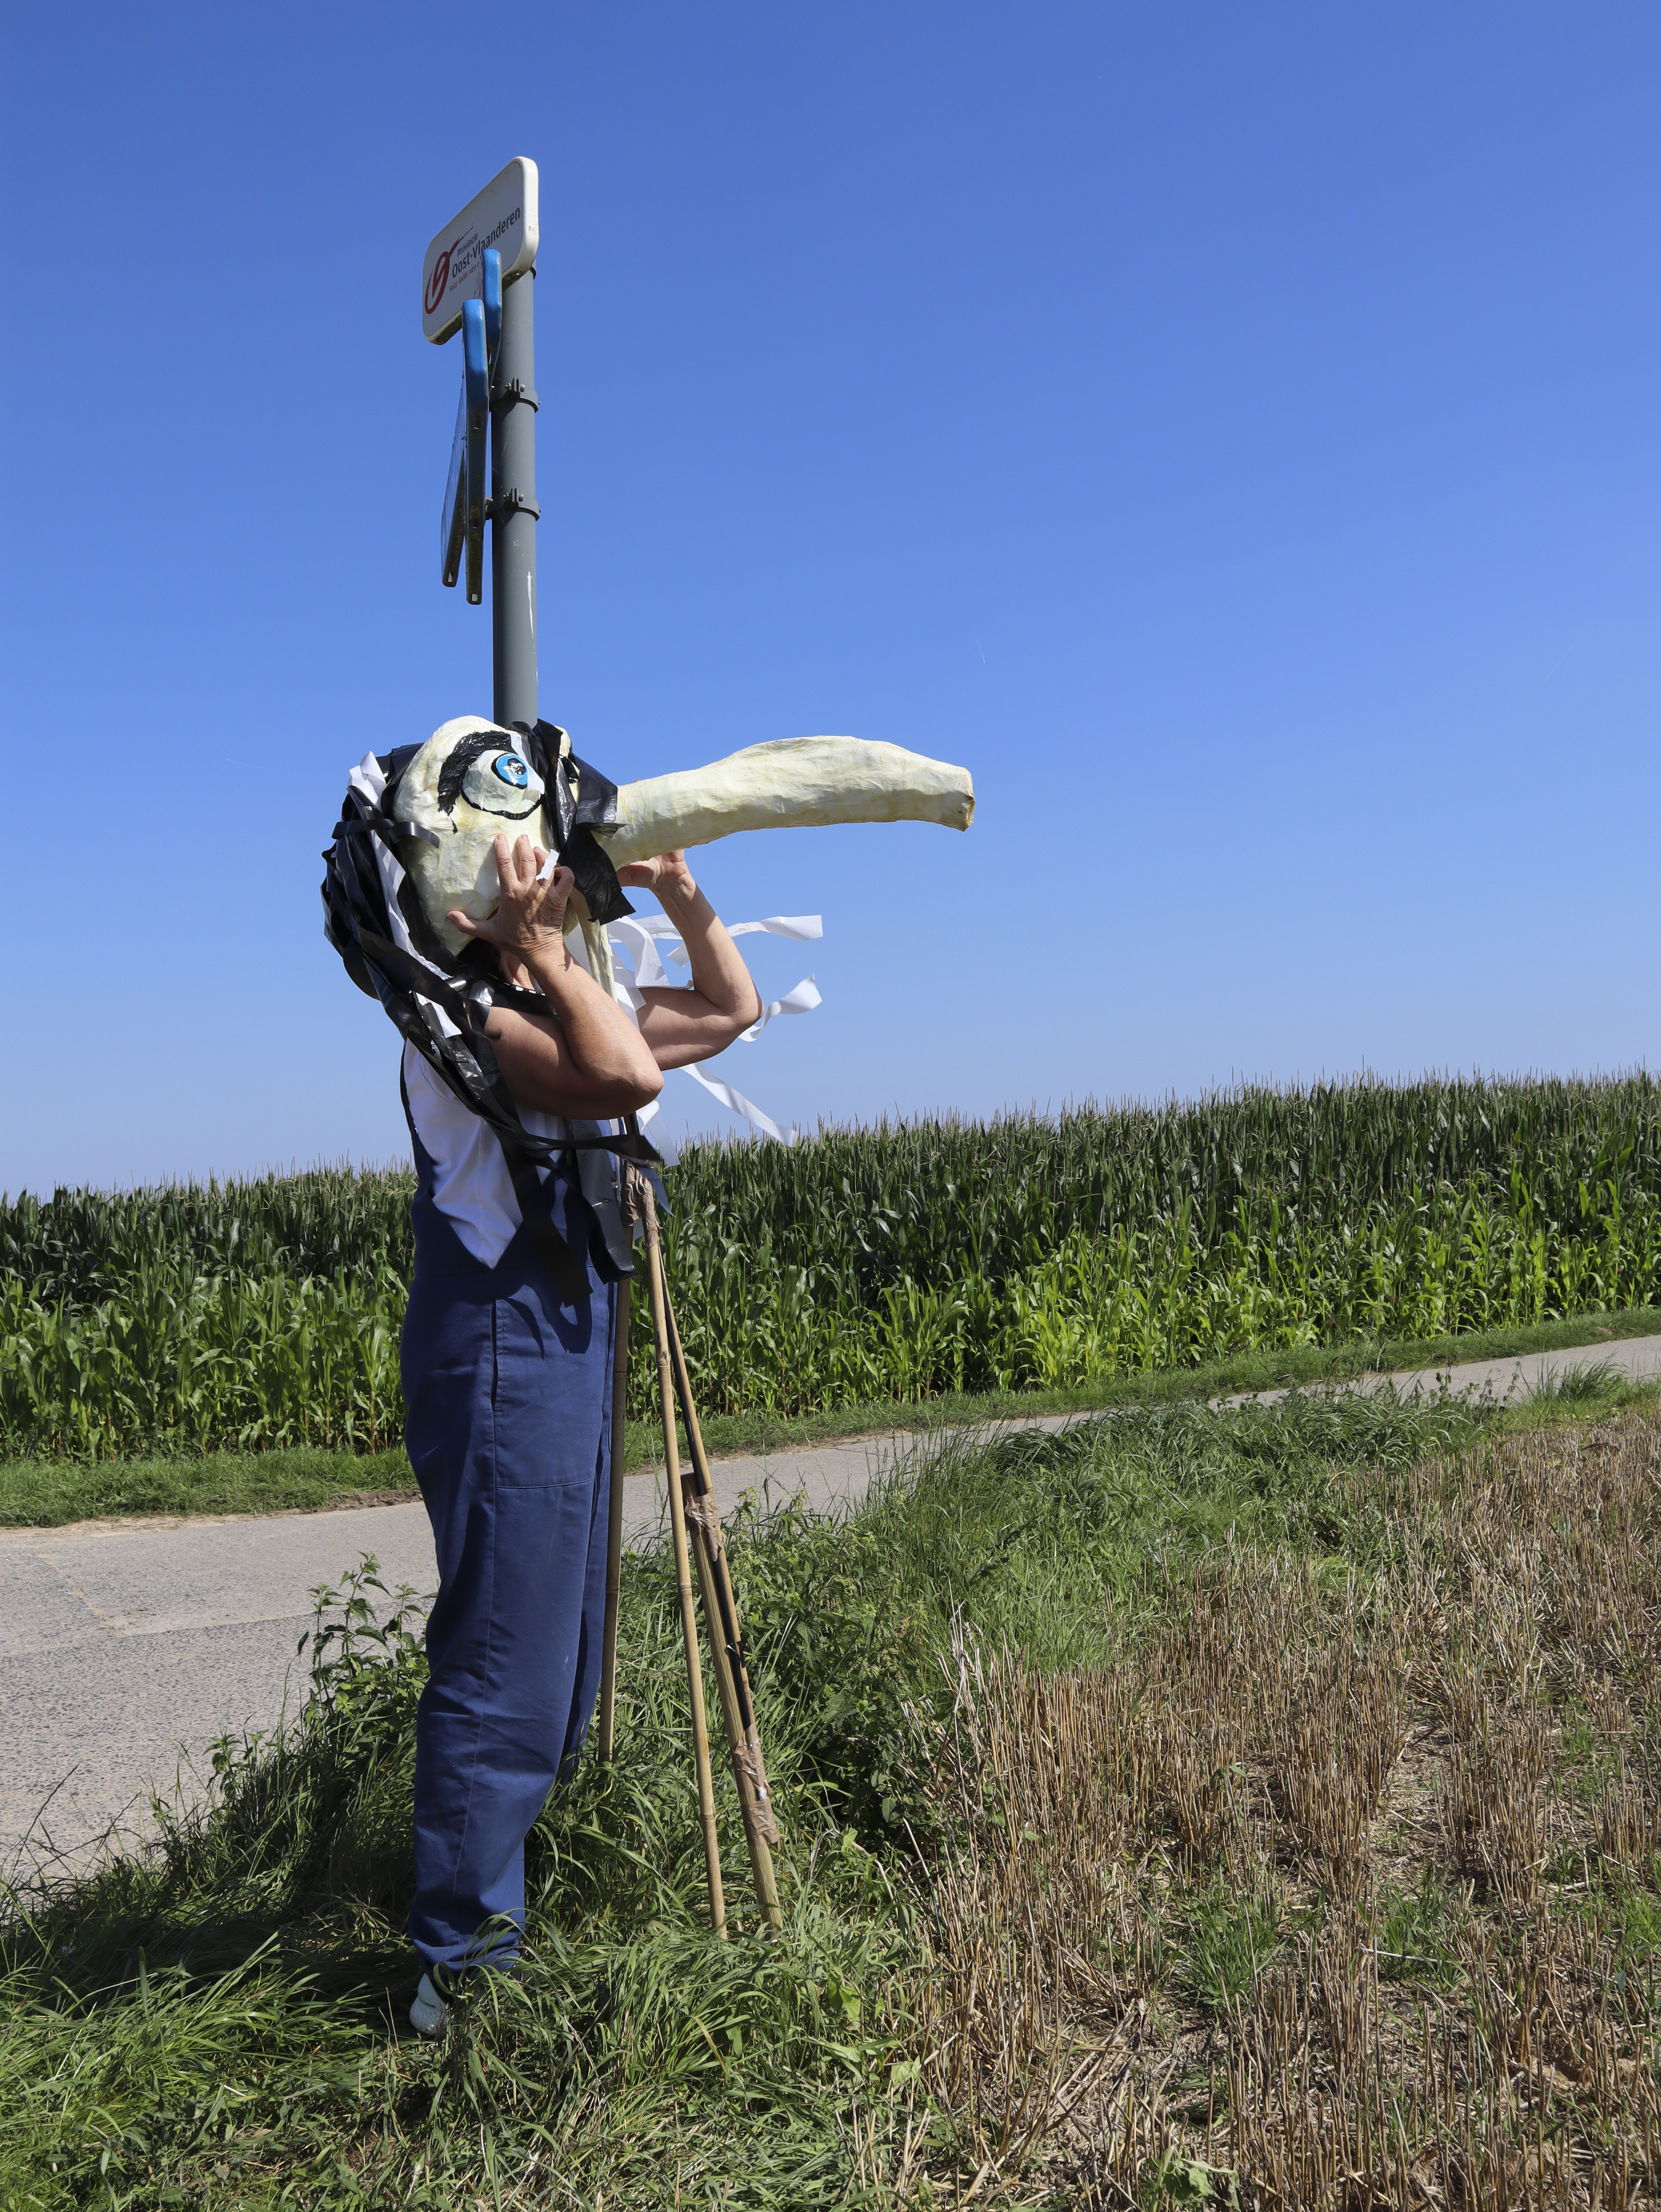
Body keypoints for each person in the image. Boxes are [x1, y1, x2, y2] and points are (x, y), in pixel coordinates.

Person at [399, 829, 760, 2037]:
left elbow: (729, 1009)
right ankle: (455, 1968)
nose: (543, 880)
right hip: (501, 1336)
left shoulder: (558, 1003)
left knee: (563, 1652)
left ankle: (500, 1910)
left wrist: (688, 898)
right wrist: (545, 953)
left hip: (569, 1324)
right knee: (507, 1652)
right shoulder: (456, 1018)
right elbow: (626, 1079)